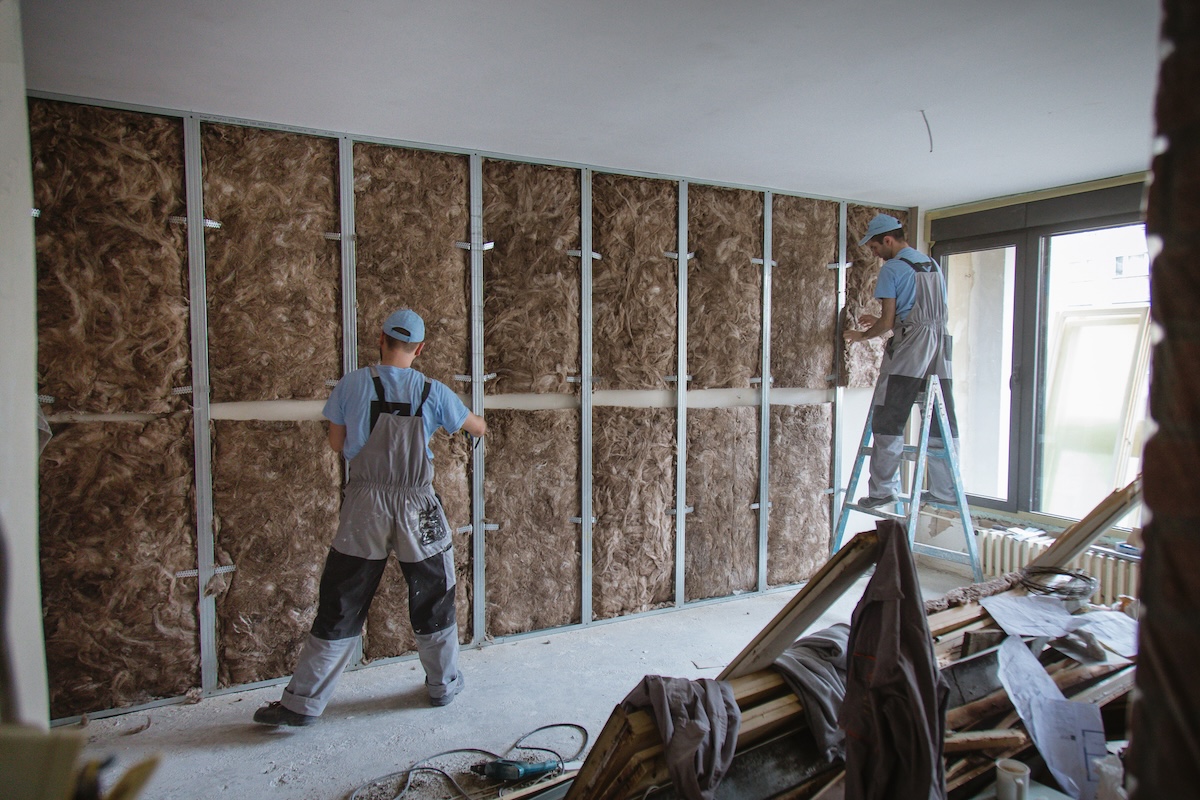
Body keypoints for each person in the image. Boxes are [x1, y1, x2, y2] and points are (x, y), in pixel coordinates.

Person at [253, 308, 486, 726]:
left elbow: (336, 444)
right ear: (419, 349)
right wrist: (470, 421)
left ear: (381, 339)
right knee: (434, 596)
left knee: (342, 599)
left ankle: (302, 704)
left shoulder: (352, 384)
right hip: (418, 507)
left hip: (365, 506)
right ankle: (443, 685)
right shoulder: (433, 391)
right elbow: (477, 427)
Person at [843, 213, 959, 509]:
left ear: (888, 240)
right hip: (940, 343)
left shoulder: (892, 268)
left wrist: (860, 335)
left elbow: (887, 323)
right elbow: (921, 314)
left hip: (912, 345)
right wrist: (887, 321)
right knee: (941, 416)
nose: (874, 253)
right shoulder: (931, 264)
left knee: (889, 413)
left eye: (875, 247)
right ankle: (946, 490)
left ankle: (883, 490)